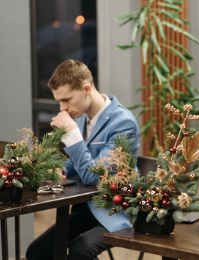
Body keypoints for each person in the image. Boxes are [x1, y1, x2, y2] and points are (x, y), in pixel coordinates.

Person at [26, 60, 140, 260]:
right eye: (59, 101)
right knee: (37, 251)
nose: (63, 108)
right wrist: (62, 170)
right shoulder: (80, 117)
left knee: (80, 251)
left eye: (67, 100)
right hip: (87, 207)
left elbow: (91, 175)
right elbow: (82, 161)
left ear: (86, 89)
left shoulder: (124, 123)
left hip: (115, 210)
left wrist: (71, 133)